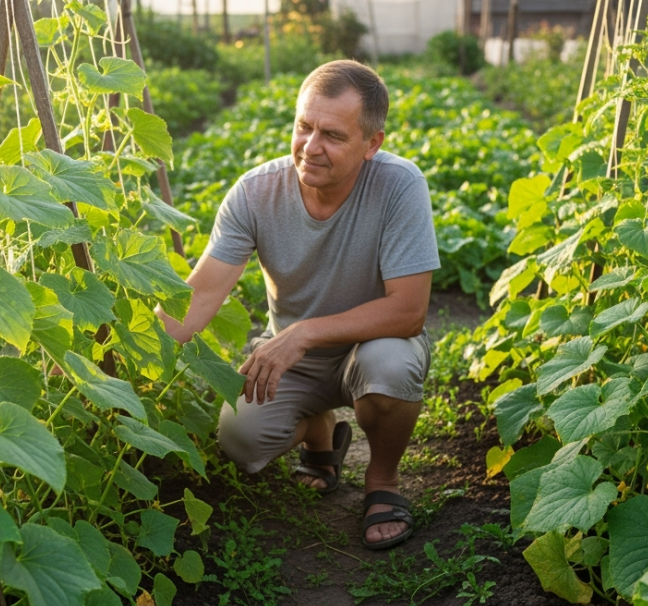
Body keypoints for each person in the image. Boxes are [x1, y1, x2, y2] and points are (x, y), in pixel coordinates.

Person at [156, 60, 439, 551]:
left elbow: (408, 311)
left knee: (389, 365)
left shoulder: (400, 186)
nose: (310, 147)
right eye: (304, 127)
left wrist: (303, 332)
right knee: (241, 441)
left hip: (369, 348)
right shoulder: (255, 192)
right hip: (296, 364)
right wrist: (110, 356)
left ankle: (383, 482)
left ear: (372, 144)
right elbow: (199, 296)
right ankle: (318, 433)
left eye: (332, 134)